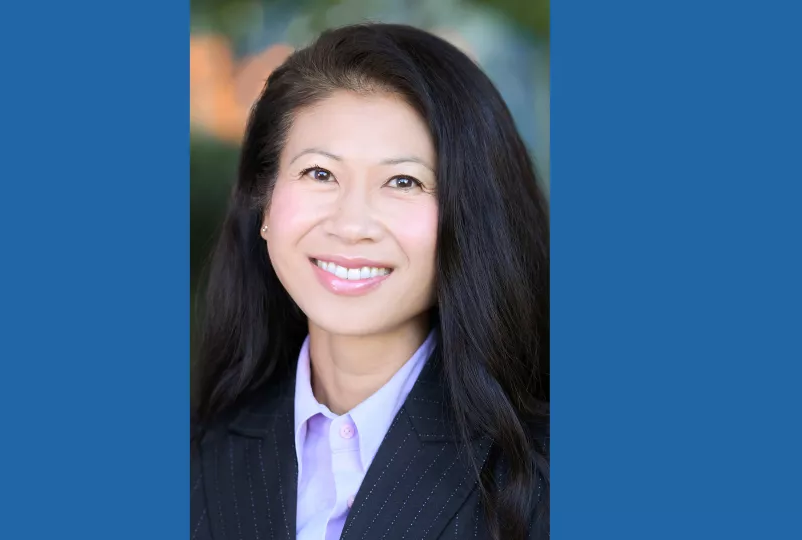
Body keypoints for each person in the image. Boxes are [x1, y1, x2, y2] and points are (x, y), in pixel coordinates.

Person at [191, 23, 549, 540]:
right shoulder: (198, 453)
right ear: (264, 202)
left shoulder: (537, 478)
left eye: (403, 182)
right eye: (320, 173)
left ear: (472, 216)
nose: (351, 224)